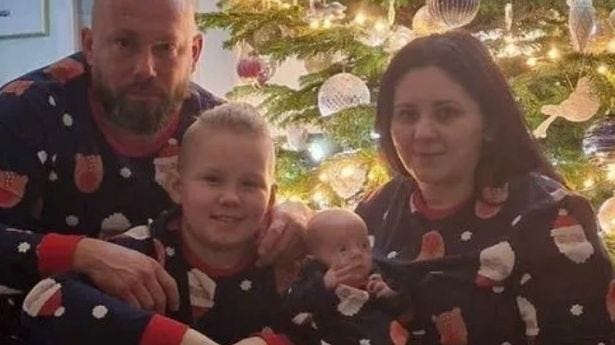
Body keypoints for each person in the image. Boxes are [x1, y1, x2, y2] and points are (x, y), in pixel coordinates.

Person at [0, 0, 308, 342]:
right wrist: (83, 253)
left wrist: (296, 219)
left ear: (194, 52)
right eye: (124, 43)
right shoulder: (21, 114)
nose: (145, 69)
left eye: (166, 47)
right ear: (89, 46)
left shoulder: (215, 130)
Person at [354, 31, 615, 344]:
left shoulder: (551, 216)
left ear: (489, 123)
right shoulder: (377, 207)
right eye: (407, 115)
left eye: (446, 113)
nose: (422, 132)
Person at [21, 103, 305, 345]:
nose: (230, 197)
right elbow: (43, 300)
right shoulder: (139, 253)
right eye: (212, 179)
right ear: (178, 187)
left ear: (272, 197)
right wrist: (179, 339)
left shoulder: (287, 260)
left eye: (250, 184)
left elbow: (341, 314)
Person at [284, 208, 412, 345]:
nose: (357, 253)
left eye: (364, 245)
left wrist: (388, 294)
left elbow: (406, 313)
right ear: (316, 258)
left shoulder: (379, 275)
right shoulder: (312, 278)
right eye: (343, 249)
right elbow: (293, 308)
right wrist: (323, 285)